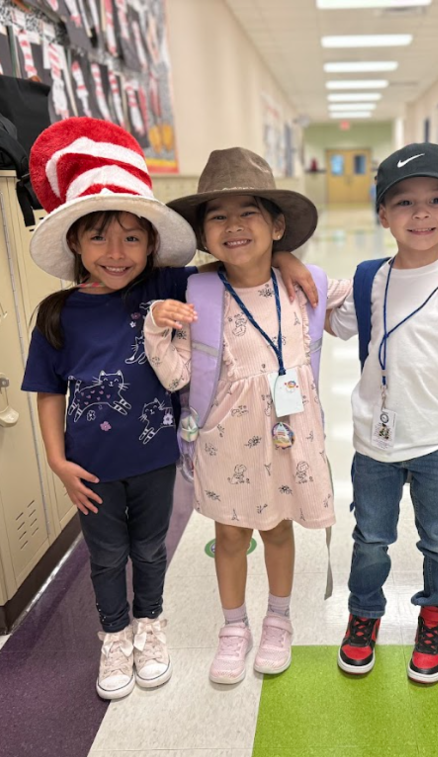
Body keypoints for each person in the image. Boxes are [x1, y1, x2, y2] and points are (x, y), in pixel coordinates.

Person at [21, 121, 313, 701]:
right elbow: (48, 391)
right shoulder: (57, 312)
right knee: (105, 555)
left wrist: (288, 261)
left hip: (157, 458)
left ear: (152, 246)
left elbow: (236, 265)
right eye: (99, 238)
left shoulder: (171, 282)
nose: (116, 253)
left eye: (132, 239)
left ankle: (151, 627)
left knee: (150, 548)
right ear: (75, 245)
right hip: (92, 463)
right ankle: (114, 636)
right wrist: (56, 461)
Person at [143, 148, 349, 684]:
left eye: (248, 213)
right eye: (217, 216)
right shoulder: (196, 292)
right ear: (204, 234)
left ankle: (278, 619)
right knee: (232, 536)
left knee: (280, 530)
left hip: (290, 443)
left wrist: (293, 263)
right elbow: (174, 376)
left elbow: (370, 306)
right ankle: (233, 627)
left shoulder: (308, 288)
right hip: (226, 444)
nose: (233, 226)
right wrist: (154, 327)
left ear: (277, 225)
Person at [327, 142, 438, 684]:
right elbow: (333, 323)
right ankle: (364, 615)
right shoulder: (368, 278)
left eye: (435, 200)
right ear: (382, 214)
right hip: (373, 443)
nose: (420, 213)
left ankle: (435, 616)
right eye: (403, 202)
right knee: (371, 538)